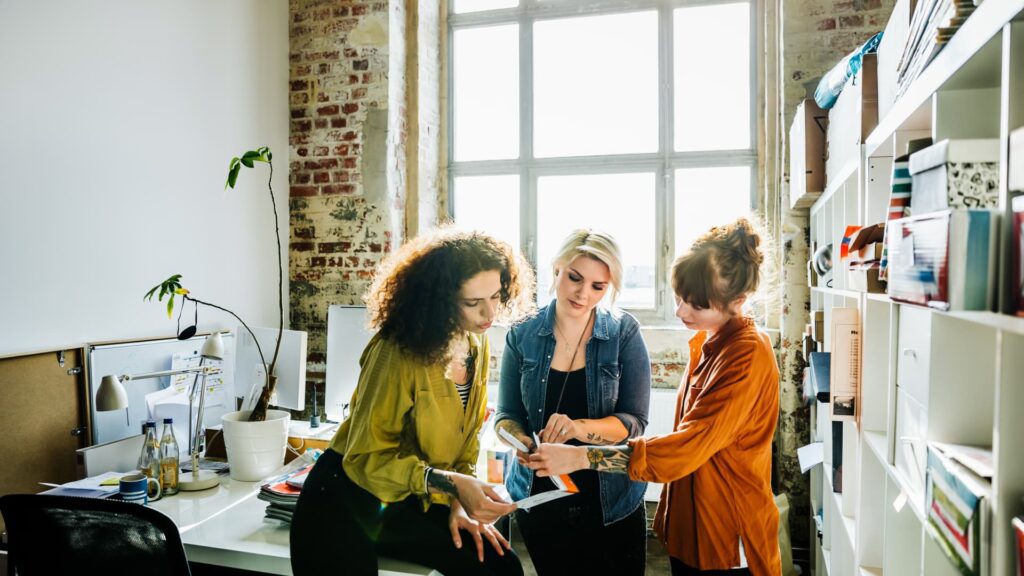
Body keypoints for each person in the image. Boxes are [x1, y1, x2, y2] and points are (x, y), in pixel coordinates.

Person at [526, 218, 782, 576]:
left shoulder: (747, 354)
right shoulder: (709, 339)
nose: (680, 312)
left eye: (696, 305)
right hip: (692, 525)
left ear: (737, 301)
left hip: (726, 535)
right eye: (679, 297)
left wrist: (580, 457)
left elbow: (686, 448)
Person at [290, 228, 535, 576]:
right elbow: (365, 459)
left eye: (496, 296)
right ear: (440, 300)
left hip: (410, 494)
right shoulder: (396, 351)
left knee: (500, 567)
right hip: (346, 496)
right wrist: (453, 484)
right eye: (472, 303)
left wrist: (459, 502)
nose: (489, 313)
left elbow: (465, 443)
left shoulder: (476, 343)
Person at [495, 229, 651, 576]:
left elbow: (634, 422)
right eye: (575, 278)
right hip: (540, 498)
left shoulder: (623, 333)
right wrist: (520, 442)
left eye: (598, 286)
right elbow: (506, 414)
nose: (583, 294)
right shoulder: (521, 333)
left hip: (611, 500)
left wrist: (578, 428)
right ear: (557, 269)